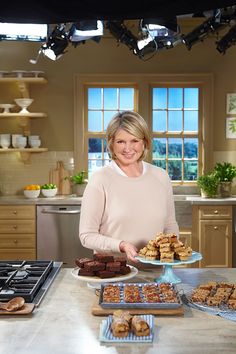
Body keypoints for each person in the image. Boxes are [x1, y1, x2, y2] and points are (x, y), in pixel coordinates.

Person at [79, 110, 179, 263]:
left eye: (134, 140)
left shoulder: (161, 176)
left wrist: (169, 251)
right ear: (111, 144)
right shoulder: (100, 180)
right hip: (114, 274)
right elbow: (87, 236)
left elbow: (170, 225)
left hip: (158, 276)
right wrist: (121, 245)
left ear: (144, 142)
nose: (128, 148)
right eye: (120, 141)